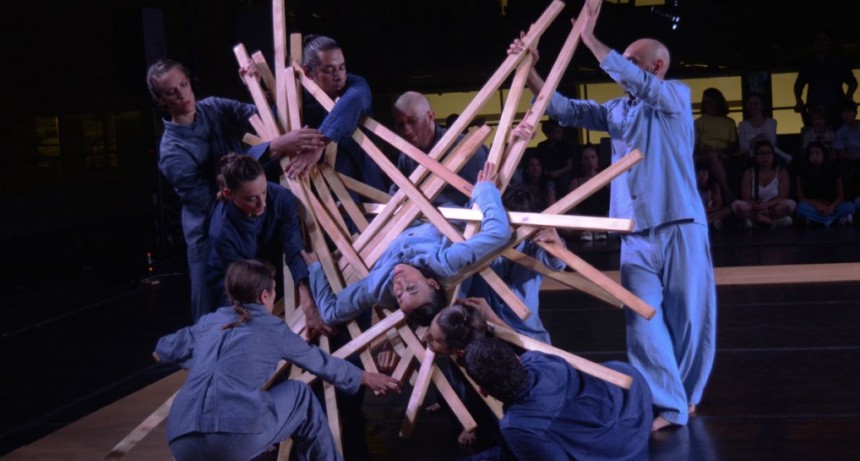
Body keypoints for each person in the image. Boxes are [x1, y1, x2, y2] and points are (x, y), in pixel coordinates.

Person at [509, 2, 716, 431]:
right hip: (635, 232)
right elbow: (563, 109)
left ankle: (687, 395)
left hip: (679, 225)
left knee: (690, 318)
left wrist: (590, 40)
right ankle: (667, 402)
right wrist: (529, 69)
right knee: (641, 318)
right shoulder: (617, 112)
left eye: (633, 62)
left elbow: (634, 80)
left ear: (656, 67)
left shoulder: (675, 96)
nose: (623, 69)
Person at [153, 259, 400, 461]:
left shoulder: (209, 322)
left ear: (230, 296)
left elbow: (164, 348)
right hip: (233, 438)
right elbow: (319, 362)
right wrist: (363, 376)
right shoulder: (273, 328)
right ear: (264, 296)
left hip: (181, 435)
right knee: (301, 395)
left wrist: (198, 357)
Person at [147, 59, 325, 322]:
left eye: (184, 84)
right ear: (160, 99)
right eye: (172, 91)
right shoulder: (173, 151)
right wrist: (273, 148)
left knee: (258, 297)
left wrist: (260, 87)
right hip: (208, 231)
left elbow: (265, 116)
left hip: (249, 212)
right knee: (214, 310)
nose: (183, 94)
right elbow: (214, 198)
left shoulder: (214, 107)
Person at [308, 161, 509, 328]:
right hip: (430, 206)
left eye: (399, 294)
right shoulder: (445, 262)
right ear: (432, 282)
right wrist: (485, 191)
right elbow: (498, 233)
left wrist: (315, 268)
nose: (399, 283)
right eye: (411, 287)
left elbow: (330, 314)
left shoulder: (379, 288)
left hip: (384, 222)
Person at [456, 334, 652, 461]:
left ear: (483, 390)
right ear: (516, 359)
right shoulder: (539, 359)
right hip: (634, 409)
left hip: (617, 451)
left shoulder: (517, 425)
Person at [206, 153, 331, 336]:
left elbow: (294, 248)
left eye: (264, 192)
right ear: (229, 194)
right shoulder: (221, 231)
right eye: (251, 198)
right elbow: (240, 286)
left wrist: (307, 300)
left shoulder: (280, 198)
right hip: (231, 282)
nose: (262, 203)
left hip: (269, 268)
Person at [390, 91, 489, 208]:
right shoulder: (407, 156)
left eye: (412, 121)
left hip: (463, 220)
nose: (406, 130)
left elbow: (482, 198)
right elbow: (397, 193)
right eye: (401, 125)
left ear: (430, 116)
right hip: (423, 220)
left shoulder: (466, 148)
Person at [793, 30, 857, 128]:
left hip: (836, 106)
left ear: (829, 42)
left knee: (836, 135)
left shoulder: (838, 62)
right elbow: (799, 84)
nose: (821, 43)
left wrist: (847, 98)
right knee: (816, 136)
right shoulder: (809, 63)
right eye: (818, 40)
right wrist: (798, 100)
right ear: (814, 43)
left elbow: (852, 82)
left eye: (824, 40)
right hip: (815, 107)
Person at [730, 140, 796, 228]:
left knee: (790, 204)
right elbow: (746, 198)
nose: (765, 156)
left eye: (769, 153)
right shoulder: (749, 172)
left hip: (774, 206)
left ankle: (757, 222)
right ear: (756, 157)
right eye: (761, 153)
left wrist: (767, 205)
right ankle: (771, 223)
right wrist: (758, 207)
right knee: (737, 205)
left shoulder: (781, 171)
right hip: (754, 207)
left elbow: (782, 197)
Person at [795, 141, 856, 227]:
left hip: (832, 205)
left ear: (824, 155)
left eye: (817, 153)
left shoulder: (834, 170)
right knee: (801, 208)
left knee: (849, 207)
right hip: (814, 206)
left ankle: (818, 221)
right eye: (811, 154)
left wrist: (832, 207)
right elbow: (801, 198)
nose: (814, 157)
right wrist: (818, 205)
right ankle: (834, 221)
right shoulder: (801, 173)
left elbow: (840, 196)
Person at [695, 87, 739, 200]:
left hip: (723, 154)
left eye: (710, 102)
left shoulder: (729, 122)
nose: (707, 105)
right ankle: (727, 192)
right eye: (705, 103)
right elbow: (693, 147)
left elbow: (733, 145)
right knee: (711, 156)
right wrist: (705, 150)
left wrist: (721, 151)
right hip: (704, 155)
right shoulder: (699, 122)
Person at [568, 144, 609, 241]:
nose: (590, 161)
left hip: (604, 221)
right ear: (581, 161)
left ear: (597, 159)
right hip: (583, 224)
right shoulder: (575, 182)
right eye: (586, 158)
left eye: (592, 157)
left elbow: (614, 204)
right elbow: (571, 209)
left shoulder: (607, 179)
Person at [737, 92, 791, 164]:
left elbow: (771, 142)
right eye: (750, 104)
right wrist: (758, 138)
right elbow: (743, 147)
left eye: (755, 103)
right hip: (750, 158)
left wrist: (752, 142)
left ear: (762, 105)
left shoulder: (771, 123)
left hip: (771, 157)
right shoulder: (742, 125)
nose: (752, 106)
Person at [534, 119, 575, 197]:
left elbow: (570, 166)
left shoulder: (566, 145)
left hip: (562, 173)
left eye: (560, 129)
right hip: (546, 173)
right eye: (557, 130)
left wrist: (557, 172)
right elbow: (539, 162)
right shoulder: (541, 146)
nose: (561, 132)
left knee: (564, 181)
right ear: (549, 133)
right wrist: (544, 171)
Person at [696, 160, 731, 231]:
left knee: (728, 209)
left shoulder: (714, 185)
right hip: (699, 212)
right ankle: (710, 221)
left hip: (712, 211)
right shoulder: (694, 187)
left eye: (704, 173)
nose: (701, 177)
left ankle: (709, 221)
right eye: (698, 174)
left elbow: (719, 204)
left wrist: (709, 210)